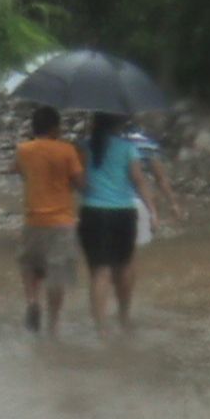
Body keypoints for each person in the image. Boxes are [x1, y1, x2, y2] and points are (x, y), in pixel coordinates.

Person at [2, 106, 84, 337]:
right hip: (61, 221)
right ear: (54, 128)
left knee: (29, 265)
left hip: (33, 220)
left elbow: (17, 171)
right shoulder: (67, 150)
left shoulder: (23, 150)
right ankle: (53, 325)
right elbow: (80, 183)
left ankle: (31, 301)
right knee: (56, 274)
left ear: (33, 127)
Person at [77, 113, 159, 338]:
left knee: (99, 272)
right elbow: (139, 181)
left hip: (93, 213)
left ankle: (101, 328)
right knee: (123, 267)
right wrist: (152, 212)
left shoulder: (84, 148)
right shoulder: (127, 148)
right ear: (118, 125)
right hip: (123, 214)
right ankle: (123, 318)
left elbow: (80, 183)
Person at [125, 127, 183, 246]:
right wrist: (173, 204)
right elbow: (160, 178)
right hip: (139, 202)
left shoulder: (98, 143)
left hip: (105, 203)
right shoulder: (146, 144)